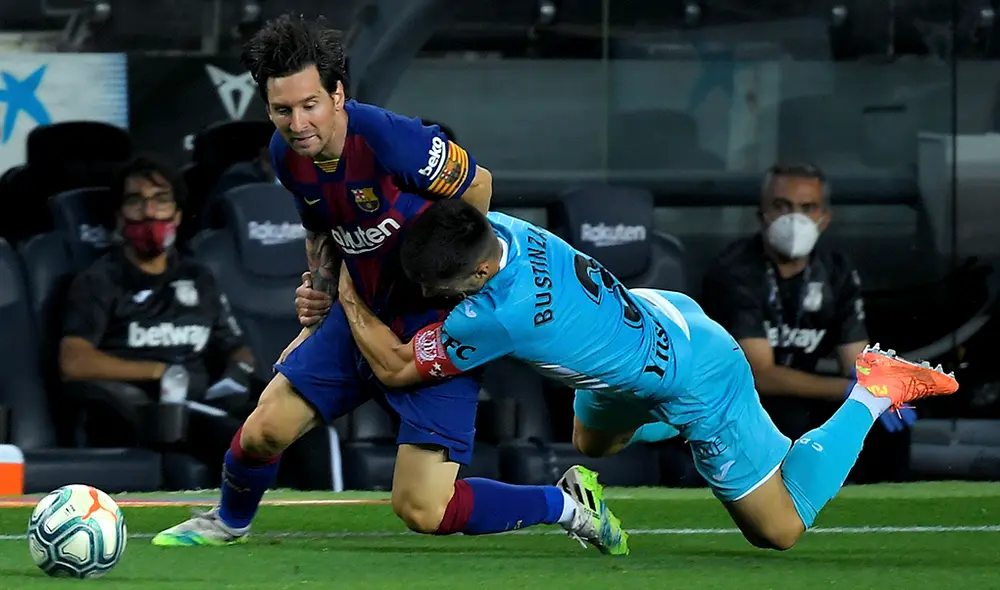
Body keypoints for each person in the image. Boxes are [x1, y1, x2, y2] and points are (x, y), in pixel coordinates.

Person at [153, 13, 624, 553]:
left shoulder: (390, 141)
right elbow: (322, 223)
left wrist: (456, 283)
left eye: (310, 105)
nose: (298, 122)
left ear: (337, 94)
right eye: (283, 110)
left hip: (433, 325)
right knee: (264, 430)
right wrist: (322, 289)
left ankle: (566, 504)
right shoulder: (287, 156)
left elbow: (479, 187)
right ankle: (228, 523)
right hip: (358, 314)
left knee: (423, 508)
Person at [324, 198, 958, 551]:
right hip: (640, 332)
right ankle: (678, 428)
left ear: (481, 276)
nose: (434, 295)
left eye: (442, 287)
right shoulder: (500, 227)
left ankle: (872, 390)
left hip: (695, 372)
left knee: (779, 529)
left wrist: (342, 289)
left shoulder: (498, 315)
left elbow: (397, 366)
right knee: (593, 446)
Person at [700, 163, 913, 483]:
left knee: (888, 423)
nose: (794, 218)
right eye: (781, 206)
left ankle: (880, 513)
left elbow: (857, 361)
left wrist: (884, 393)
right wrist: (849, 390)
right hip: (737, 403)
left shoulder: (836, 271)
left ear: (824, 219)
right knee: (792, 417)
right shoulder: (735, 271)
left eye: (807, 207)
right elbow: (760, 375)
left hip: (808, 398)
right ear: (761, 215)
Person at [59, 154, 257, 474]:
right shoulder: (98, 280)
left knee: (298, 432)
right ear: (120, 216)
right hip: (142, 412)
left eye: (161, 201)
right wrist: (159, 371)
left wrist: (238, 368)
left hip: (208, 402)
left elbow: (235, 345)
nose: (149, 212)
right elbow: (73, 361)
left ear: (177, 215)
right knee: (240, 441)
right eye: (136, 201)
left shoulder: (199, 277)